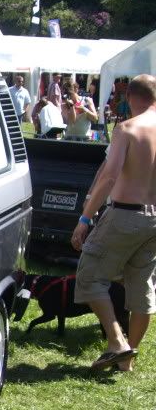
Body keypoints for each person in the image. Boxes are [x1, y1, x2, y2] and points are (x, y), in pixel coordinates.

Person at [71, 74, 156, 371]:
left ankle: (118, 342)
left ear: (130, 96)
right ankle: (126, 362)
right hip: (154, 220)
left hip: (125, 214)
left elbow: (109, 175)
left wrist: (85, 217)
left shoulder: (128, 128)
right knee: (141, 284)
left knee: (90, 274)